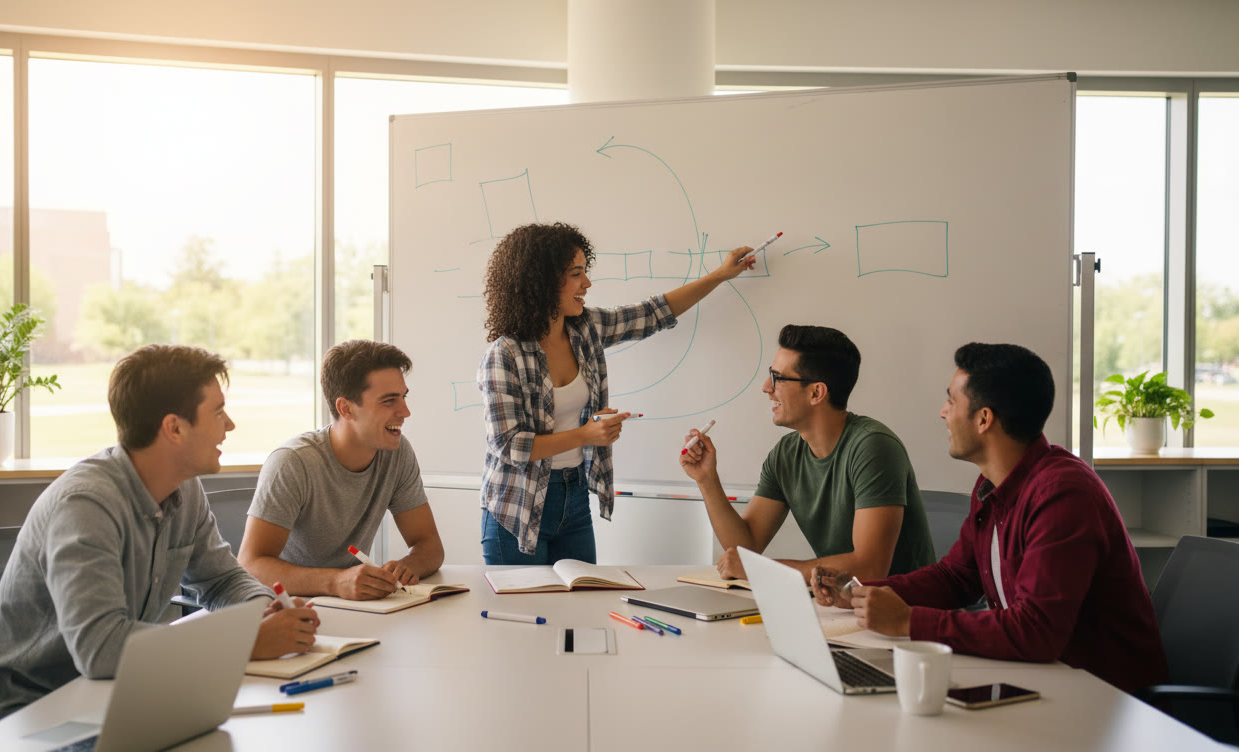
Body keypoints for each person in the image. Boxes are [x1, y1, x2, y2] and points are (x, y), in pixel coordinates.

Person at [0, 345, 319, 737]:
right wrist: (243, 642)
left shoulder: (185, 490)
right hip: (24, 716)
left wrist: (265, 612)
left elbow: (222, 580)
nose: (229, 425)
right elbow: (100, 647)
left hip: (113, 697)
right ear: (174, 428)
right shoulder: (86, 505)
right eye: (217, 411)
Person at [815, 342, 1168, 694]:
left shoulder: (1063, 495)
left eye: (951, 401)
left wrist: (909, 621)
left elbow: (1037, 631)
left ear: (984, 419)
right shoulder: (992, 484)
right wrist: (859, 593)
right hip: (1044, 679)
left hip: (1104, 699)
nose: (942, 412)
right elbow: (956, 577)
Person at [478, 221, 754, 564]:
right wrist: (586, 433)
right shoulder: (504, 355)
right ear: (543, 281)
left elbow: (653, 314)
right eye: (577, 273)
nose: (587, 283)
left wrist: (721, 275)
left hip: (573, 494)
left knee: (579, 609)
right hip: (516, 508)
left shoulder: (586, 329)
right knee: (523, 614)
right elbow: (510, 445)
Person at [679, 324, 934, 584]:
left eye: (778, 378)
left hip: (905, 613)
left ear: (816, 393)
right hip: (846, 608)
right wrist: (707, 480)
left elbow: (869, 569)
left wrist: (761, 569)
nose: (766, 387)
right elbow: (745, 547)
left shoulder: (874, 447)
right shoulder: (786, 454)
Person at [239, 340, 444, 600]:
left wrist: (408, 567)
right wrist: (335, 581)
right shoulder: (293, 462)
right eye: (389, 401)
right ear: (345, 408)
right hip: (285, 606)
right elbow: (251, 565)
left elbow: (429, 544)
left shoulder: (397, 452)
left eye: (403, 397)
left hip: (350, 604)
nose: (405, 411)